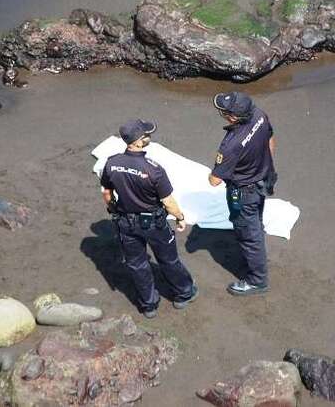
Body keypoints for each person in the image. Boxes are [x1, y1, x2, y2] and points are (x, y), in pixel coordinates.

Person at [100, 118, 199, 318]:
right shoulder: (153, 169)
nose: (149, 136)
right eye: (146, 135)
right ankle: (183, 293)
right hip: (154, 224)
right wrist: (180, 217)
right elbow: (168, 201)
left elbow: (106, 192)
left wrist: (113, 208)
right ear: (137, 141)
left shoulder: (112, 163)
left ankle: (149, 305)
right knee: (169, 260)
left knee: (137, 264)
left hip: (126, 223)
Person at [208, 92, 277, 296]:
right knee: (256, 219)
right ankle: (257, 244)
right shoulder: (259, 115)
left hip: (244, 191)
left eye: (223, 111)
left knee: (248, 234)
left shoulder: (231, 145)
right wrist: (264, 165)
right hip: (263, 177)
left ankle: (257, 281)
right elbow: (270, 139)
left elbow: (215, 180)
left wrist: (213, 172)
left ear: (232, 117)